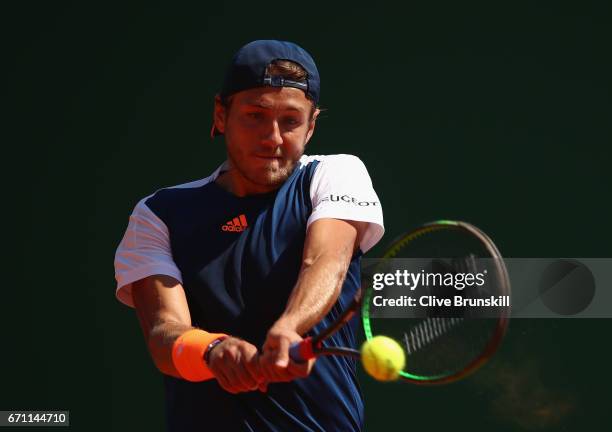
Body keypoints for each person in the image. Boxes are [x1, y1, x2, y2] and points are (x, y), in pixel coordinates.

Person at [114, 39, 384, 431]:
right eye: (255, 116)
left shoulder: (335, 174)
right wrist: (212, 350)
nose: (272, 137)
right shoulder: (158, 213)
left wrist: (290, 326)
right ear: (221, 115)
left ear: (311, 127)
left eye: (290, 120)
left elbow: (326, 260)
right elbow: (163, 334)